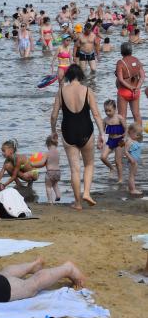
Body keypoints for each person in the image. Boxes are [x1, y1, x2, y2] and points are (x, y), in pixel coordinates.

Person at [51, 64, 104, 210]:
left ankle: (78, 203)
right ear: (81, 76)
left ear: (68, 76)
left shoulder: (61, 92)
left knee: (75, 169)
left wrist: (53, 131)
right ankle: (86, 193)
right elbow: (96, 114)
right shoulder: (87, 91)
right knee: (89, 164)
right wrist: (101, 133)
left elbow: (54, 115)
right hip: (86, 130)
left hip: (68, 132)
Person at [115, 42, 144, 125]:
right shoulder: (137, 60)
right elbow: (142, 77)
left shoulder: (120, 62)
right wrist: (137, 87)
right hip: (136, 92)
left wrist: (130, 87)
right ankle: (139, 135)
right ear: (131, 50)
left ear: (121, 51)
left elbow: (120, 79)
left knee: (122, 116)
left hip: (124, 92)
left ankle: (123, 136)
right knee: (137, 114)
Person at [100, 99, 125, 183]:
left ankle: (120, 179)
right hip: (110, 140)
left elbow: (126, 129)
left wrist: (125, 137)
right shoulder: (105, 120)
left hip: (120, 140)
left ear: (115, 109)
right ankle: (111, 168)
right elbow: (102, 132)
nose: (107, 113)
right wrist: (99, 141)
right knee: (103, 157)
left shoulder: (119, 118)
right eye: (106, 111)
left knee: (118, 161)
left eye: (109, 111)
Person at [124, 123, 143, 195]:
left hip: (135, 161)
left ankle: (131, 188)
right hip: (132, 161)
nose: (138, 136)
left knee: (133, 175)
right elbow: (126, 151)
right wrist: (131, 159)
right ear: (131, 132)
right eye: (137, 134)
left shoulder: (133, 140)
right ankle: (132, 190)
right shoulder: (129, 141)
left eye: (139, 134)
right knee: (132, 176)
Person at [45, 135, 61, 203]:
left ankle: (50, 201)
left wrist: (33, 164)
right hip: (58, 172)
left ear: (48, 144)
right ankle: (58, 195)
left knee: (48, 186)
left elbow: (42, 162)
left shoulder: (47, 153)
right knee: (55, 184)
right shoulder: (58, 152)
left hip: (50, 172)